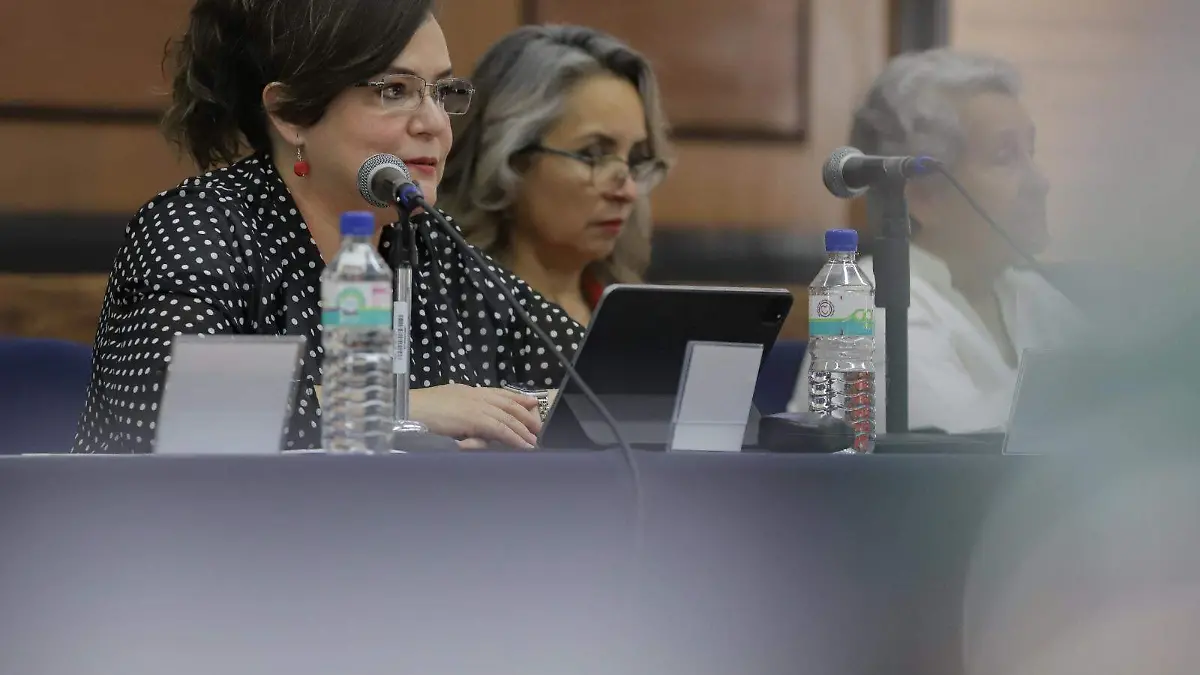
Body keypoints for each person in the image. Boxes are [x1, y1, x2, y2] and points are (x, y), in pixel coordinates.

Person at [73, 0, 583, 453]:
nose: (434, 123)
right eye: (395, 91)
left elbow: (597, 383)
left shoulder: (429, 242)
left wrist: (519, 415)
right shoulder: (200, 226)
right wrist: (402, 409)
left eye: (441, 91)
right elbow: (170, 409)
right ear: (291, 113)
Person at [789, 48, 1081, 434]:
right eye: (1004, 157)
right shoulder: (866, 304)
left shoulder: (1033, 295)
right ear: (923, 196)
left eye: (1031, 153)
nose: (1040, 183)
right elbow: (955, 449)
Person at [439, 25, 673, 326]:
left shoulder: (636, 318)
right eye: (592, 154)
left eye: (635, 160)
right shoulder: (443, 317)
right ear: (510, 158)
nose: (628, 191)